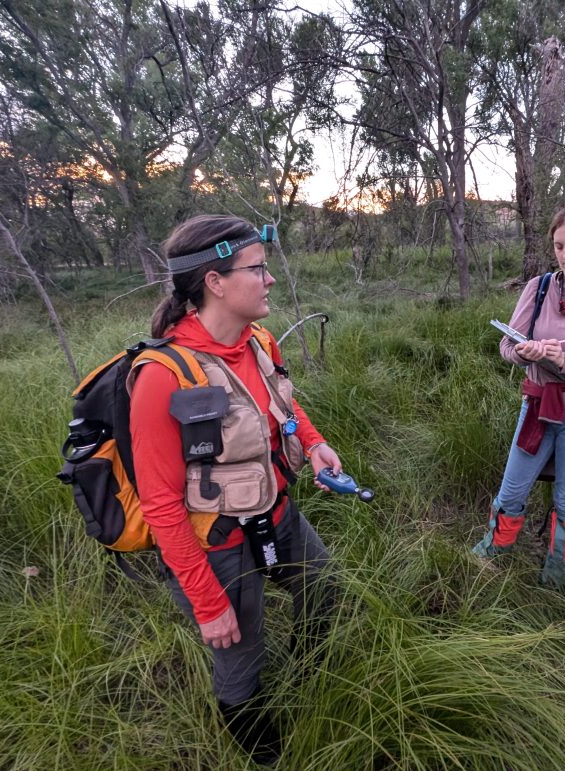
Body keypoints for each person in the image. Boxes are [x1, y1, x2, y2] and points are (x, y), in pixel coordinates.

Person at [129, 215, 343, 764]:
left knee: (325, 589)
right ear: (215, 283)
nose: (269, 280)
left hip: (278, 511)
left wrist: (314, 445)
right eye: (258, 269)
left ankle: (314, 683)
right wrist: (206, 602)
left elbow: (281, 407)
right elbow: (160, 506)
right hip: (216, 545)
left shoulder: (259, 341)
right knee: (240, 660)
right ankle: (267, 754)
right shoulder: (163, 376)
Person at [472, 205, 565, 588]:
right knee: (512, 487)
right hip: (538, 403)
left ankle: (555, 573)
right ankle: (495, 549)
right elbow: (508, 346)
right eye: (559, 246)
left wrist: (564, 359)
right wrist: (524, 353)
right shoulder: (537, 288)